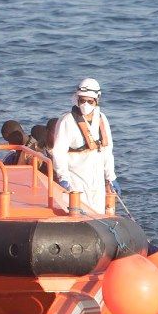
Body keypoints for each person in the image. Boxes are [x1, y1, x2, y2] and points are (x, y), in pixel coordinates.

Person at [50, 78, 119, 213]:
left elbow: (107, 150)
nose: (85, 104)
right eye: (82, 100)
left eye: (90, 101)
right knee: (79, 212)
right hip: (75, 178)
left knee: (98, 212)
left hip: (97, 179)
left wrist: (111, 177)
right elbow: (59, 152)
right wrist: (63, 177)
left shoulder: (102, 119)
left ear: (97, 101)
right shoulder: (67, 121)